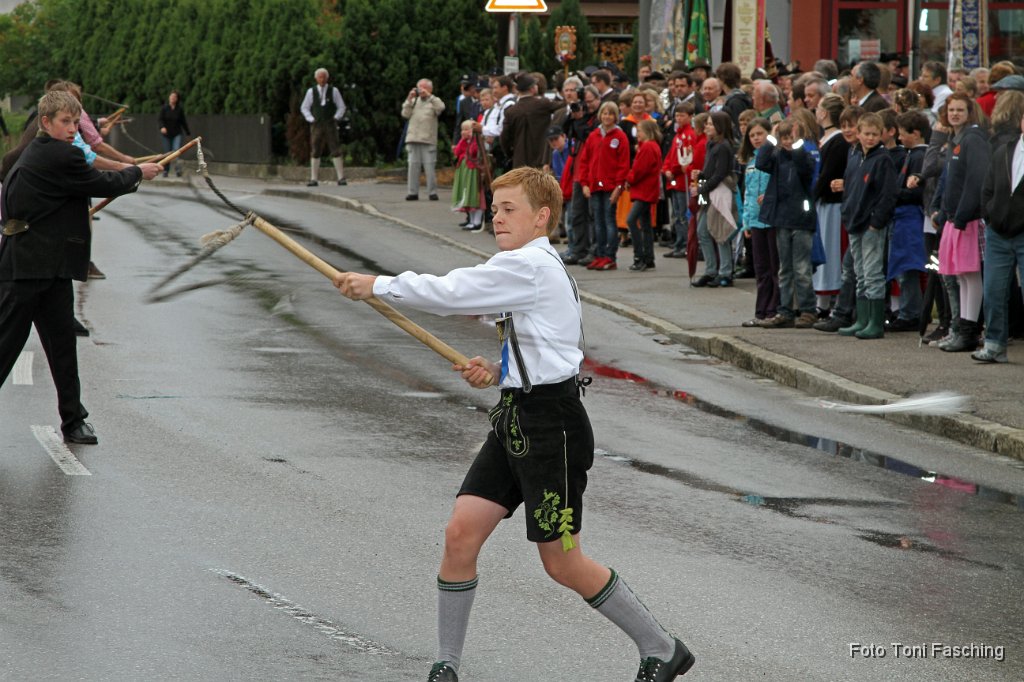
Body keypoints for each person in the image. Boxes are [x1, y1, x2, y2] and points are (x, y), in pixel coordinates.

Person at [332, 166, 695, 682]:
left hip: (554, 429)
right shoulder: (524, 266)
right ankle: (446, 666)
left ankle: (662, 647)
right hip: (516, 418)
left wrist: (378, 285)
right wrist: (499, 370)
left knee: (563, 561)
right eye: (494, 208)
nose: (497, 218)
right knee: (460, 534)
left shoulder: (530, 265)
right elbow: (548, 345)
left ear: (541, 216)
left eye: (510, 210)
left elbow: (452, 292)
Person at [0, 90, 162, 444]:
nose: (73, 129)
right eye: (65, 122)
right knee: (5, 345)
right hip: (25, 269)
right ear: (46, 123)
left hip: (51, 267)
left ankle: (73, 421)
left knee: (62, 348)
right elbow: (101, 182)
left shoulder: (39, 151)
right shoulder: (57, 154)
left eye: (76, 122)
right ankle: (73, 422)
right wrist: (137, 173)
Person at [931, 92, 991, 352]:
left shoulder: (973, 139)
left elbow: (975, 180)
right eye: (951, 109)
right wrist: (944, 212)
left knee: (970, 273)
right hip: (954, 218)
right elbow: (950, 183)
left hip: (967, 218)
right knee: (960, 276)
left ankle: (968, 331)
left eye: (960, 110)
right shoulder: (956, 138)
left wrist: (964, 214)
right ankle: (962, 328)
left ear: (970, 113)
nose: (955, 114)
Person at [834, 111, 898, 339]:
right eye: (866, 134)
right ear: (859, 134)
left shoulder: (882, 160)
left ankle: (875, 323)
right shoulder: (855, 156)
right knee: (859, 272)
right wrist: (846, 212)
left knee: (872, 273)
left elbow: (889, 194)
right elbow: (850, 188)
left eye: (874, 134)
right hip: (854, 221)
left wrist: (876, 222)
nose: (870, 138)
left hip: (871, 224)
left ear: (881, 135)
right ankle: (862, 319)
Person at [757, 119, 817, 328]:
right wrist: (772, 137)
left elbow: (804, 168)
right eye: (784, 138)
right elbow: (760, 162)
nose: (788, 142)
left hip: (800, 219)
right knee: (785, 268)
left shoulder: (805, 156)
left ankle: (808, 310)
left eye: (791, 138)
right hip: (781, 218)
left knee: (801, 268)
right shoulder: (776, 156)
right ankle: (785, 310)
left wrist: (797, 143)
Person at [976, 109, 1024, 363]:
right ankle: (994, 344)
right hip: (998, 232)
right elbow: (988, 186)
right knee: (993, 290)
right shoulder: (1004, 149)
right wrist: (990, 216)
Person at [886, 110, 930, 332]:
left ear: (916, 133)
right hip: (903, 216)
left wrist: (894, 193)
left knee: (908, 267)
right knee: (903, 267)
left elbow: (917, 192)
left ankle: (910, 312)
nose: (900, 139)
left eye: (903, 134)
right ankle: (908, 311)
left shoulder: (920, 157)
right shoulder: (911, 154)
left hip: (910, 217)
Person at [580, 101, 630, 271]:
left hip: (610, 187)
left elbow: (623, 164)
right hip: (595, 186)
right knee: (597, 222)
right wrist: (584, 183)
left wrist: (618, 187)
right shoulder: (594, 135)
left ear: (616, 116)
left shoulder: (620, 137)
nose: (607, 116)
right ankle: (599, 254)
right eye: (604, 113)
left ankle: (610, 256)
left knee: (609, 221)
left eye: (610, 113)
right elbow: (584, 161)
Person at [737, 117, 777, 326]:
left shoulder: (775, 157)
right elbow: (747, 195)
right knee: (760, 268)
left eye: (760, 134)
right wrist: (746, 222)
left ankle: (773, 310)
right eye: (752, 135)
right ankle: (760, 311)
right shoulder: (751, 162)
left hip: (771, 220)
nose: (756, 138)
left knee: (773, 267)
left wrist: (769, 196)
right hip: (755, 220)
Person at [691, 111, 738, 287]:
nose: (707, 127)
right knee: (703, 230)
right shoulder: (711, 145)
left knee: (720, 232)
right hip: (707, 194)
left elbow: (719, 175)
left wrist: (701, 187)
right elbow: (710, 171)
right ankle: (711, 270)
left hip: (719, 194)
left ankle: (725, 272)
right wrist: (701, 175)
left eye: (710, 124)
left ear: (720, 127)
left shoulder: (724, 147)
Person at [625, 119, 663, 271]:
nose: (637, 134)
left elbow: (639, 170)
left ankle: (639, 256)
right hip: (648, 190)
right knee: (646, 224)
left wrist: (628, 179)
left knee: (631, 220)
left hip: (644, 191)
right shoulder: (652, 146)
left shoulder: (648, 147)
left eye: (639, 131)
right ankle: (648, 257)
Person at [300, 67, 348, 187]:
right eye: (320, 77)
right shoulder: (311, 92)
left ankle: (341, 177)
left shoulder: (334, 91)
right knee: (315, 148)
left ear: (327, 78)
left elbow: (341, 106)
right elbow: (304, 107)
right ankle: (314, 179)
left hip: (330, 123)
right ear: (316, 78)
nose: (322, 79)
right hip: (317, 124)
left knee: (335, 148)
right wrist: (311, 119)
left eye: (324, 77)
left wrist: (336, 117)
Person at [662, 102, 696, 258]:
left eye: (682, 115)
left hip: (682, 181)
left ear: (690, 117)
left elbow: (685, 159)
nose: (679, 118)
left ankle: (684, 244)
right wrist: (666, 169)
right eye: (677, 115)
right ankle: (678, 242)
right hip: (674, 180)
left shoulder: (690, 135)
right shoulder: (678, 135)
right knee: (676, 213)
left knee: (682, 215)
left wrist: (672, 169)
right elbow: (670, 155)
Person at [402, 78, 445, 201]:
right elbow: (405, 114)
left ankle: (432, 192)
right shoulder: (414, 101)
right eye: (419, 87)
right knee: (412, 168)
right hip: (413, 139)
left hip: (428, 140)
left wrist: (430, 96)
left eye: (424, 87)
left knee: (429, 168)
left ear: (430, 89)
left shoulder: (434, 101)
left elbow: (441, 107)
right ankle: (412, 192)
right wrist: (409, 98)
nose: (421, 90)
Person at [451, 120, 486, 232]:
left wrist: (472, 139)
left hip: (473, 170)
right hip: (464, 170)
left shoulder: (477, 141)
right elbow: (457, 152)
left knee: (474, 194)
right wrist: (462, 139)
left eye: (467, 129)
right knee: (466, 194)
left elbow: (474, 151)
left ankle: (476, 221)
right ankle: (471, 221)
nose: (464, 132)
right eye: (463, 130)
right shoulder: (464, 141)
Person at [158, 89, 191, 178]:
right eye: (171, 96)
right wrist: (162, 127)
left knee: (176, 151)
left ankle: (178, 170)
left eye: (174, 97)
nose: (172, 98)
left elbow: (183, 122)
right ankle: (166, 170)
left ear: (177, 99)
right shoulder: (164, 108)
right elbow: (160, 119)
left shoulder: (179, 109)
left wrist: (188, 133)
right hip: (166, 134)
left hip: (177, 133)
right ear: (169, 97)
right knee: (167, 152)